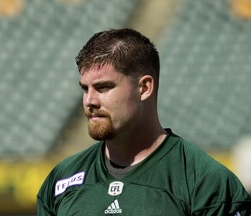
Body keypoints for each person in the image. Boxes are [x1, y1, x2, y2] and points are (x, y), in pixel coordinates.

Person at [37, 28, 251, 215]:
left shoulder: (205, 182)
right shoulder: (61, 180)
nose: (89, 100)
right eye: (85, 88)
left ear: (144, 88)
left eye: (103, 87)